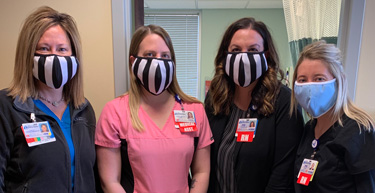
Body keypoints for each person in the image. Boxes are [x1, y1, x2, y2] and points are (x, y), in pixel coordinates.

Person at [95, 24, 213, 193]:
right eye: (150, 55)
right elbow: (110, 181)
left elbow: (201, 172)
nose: (158, 61)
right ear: (133, 61)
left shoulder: (195, 110)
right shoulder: (115, 112)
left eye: (165, 56)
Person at [0, 6, 97, 193]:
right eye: (44, 49)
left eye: (62, 49)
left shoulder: (83, 109)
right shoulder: (7, 106)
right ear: (28, 56)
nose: (54, 57)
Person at [204, 17, 304, 193]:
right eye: (236, 50)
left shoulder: (284, 102)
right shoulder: (216, 97)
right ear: (225, 56)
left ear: (265, 55)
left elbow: (282, 176)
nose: (243, 57)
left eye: (252, 50)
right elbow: (205, 159)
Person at [290, 40, 375, 192]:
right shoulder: (309, 129)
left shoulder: (359, 131)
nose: (310, 86)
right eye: (302, 80)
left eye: (319, 79)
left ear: (339, 81)